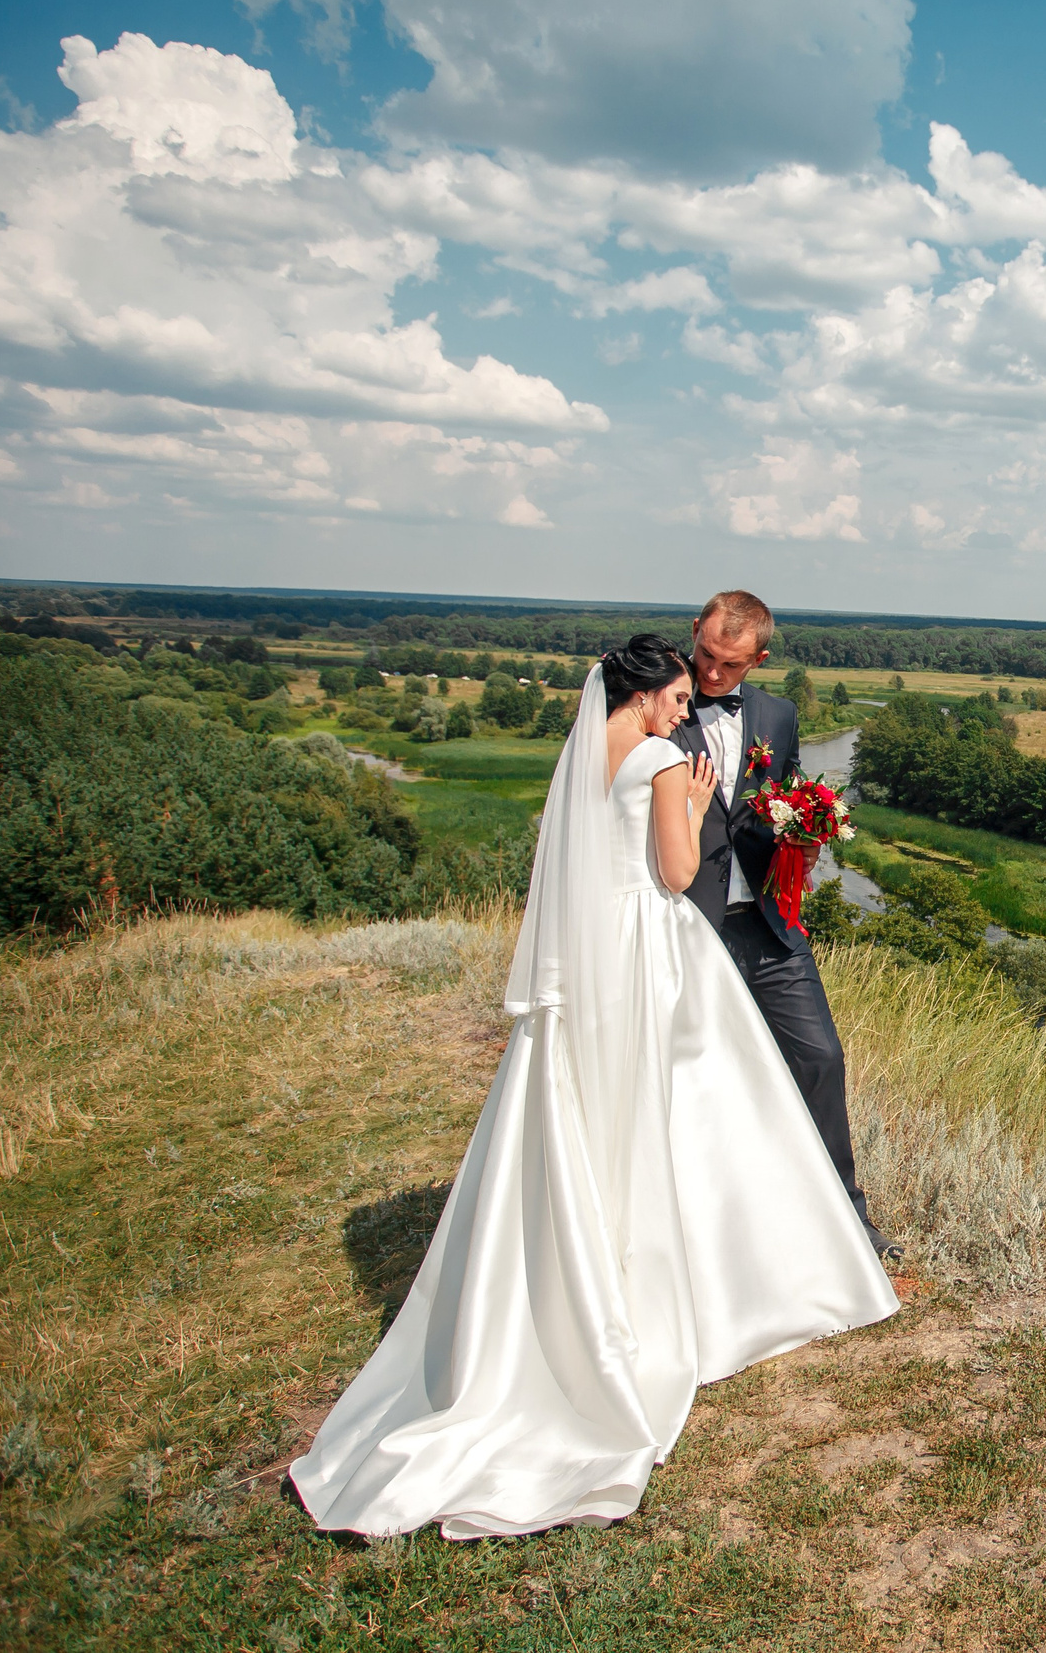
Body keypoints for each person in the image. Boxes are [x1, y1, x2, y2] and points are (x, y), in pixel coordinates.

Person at [288, 633, 898, 1540]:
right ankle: (703, 1274)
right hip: (650, 953)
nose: (687, 710)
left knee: (600, 1108)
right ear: (649, 692)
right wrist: (691, 808)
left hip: (589, 964)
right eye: (680, 694)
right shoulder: (657, 758)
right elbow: (676, 874)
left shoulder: (584, 754)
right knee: (689, 1107)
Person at [671, 591, 899, 1260]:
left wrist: (807, 832)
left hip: (769, 924)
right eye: (707, 655)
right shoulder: (654, 698)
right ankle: (701, 1230)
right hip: (686, 926)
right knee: (693, 1077)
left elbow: (786, 798)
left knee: (821, 1058)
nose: (713, 674)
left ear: (759, 659)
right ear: (694, 634)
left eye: (731, 664)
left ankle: (845, 1219)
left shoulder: (779, 714)